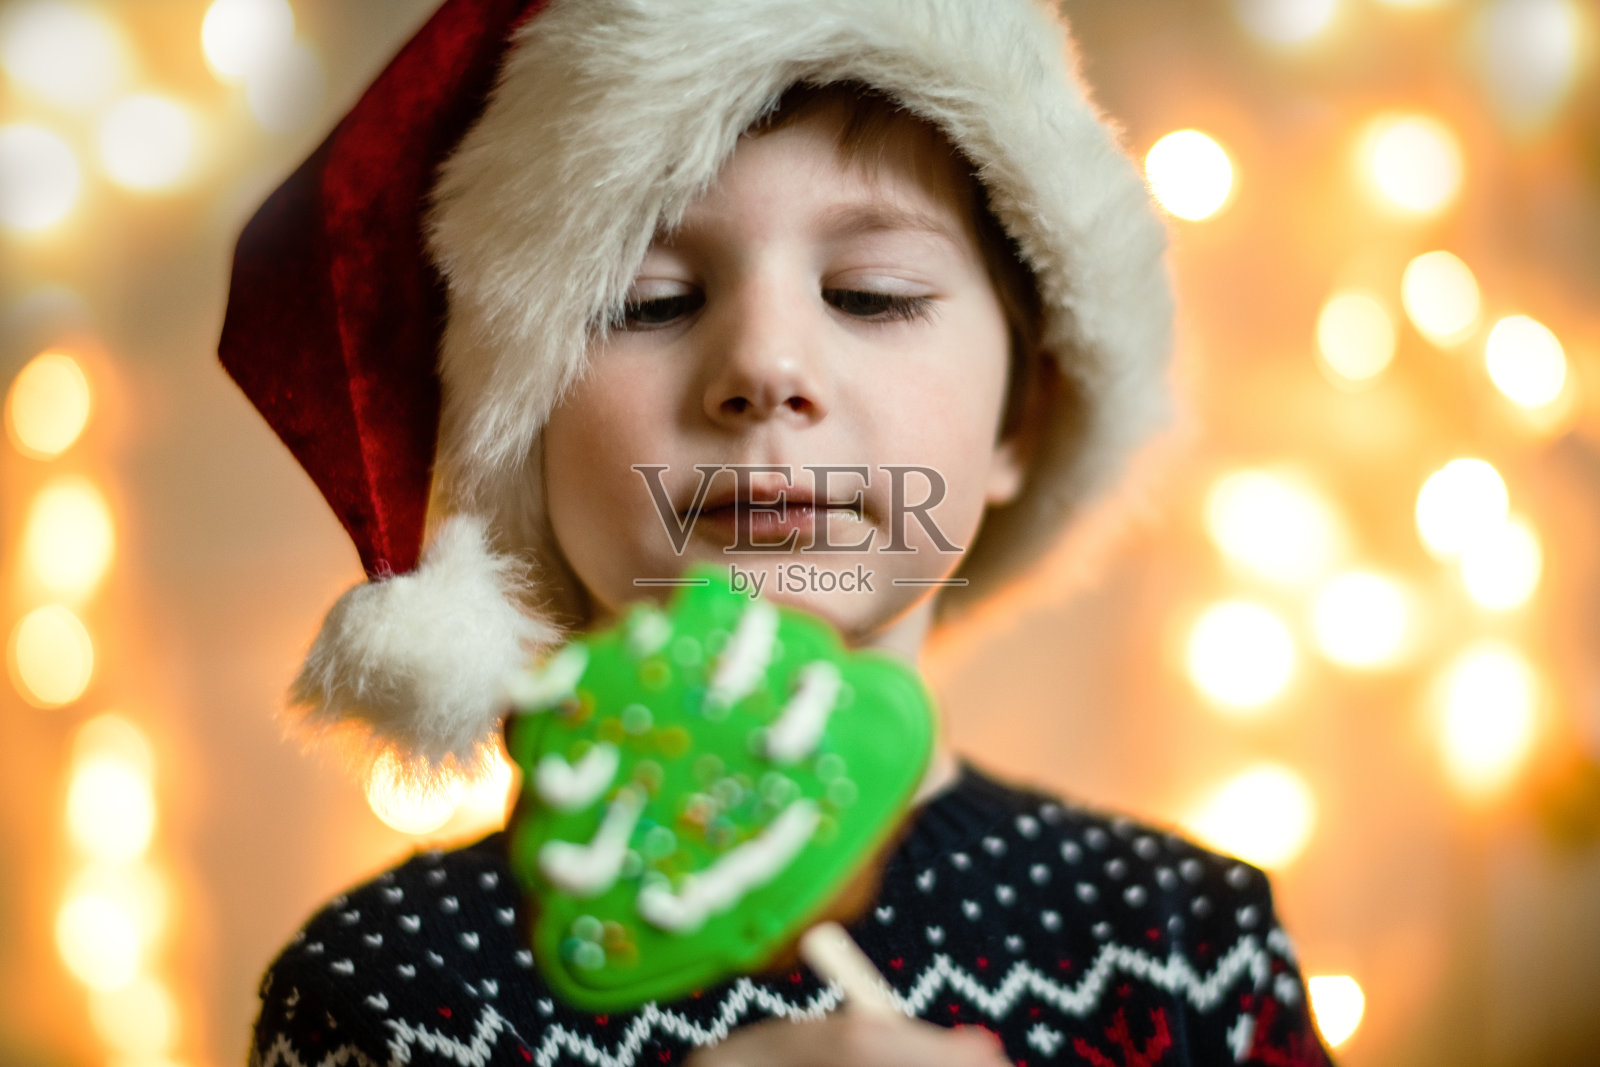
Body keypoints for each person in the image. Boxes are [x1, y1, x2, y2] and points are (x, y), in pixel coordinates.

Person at [224, 1, 1336, 1064]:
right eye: (650, 301)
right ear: (525, 434)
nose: (763, 366)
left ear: (1023, 419)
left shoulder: (1184, 944)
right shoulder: (392, 994)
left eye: (871, 293)